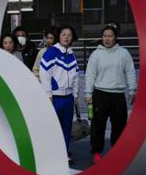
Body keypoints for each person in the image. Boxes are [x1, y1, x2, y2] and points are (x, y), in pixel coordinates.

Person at [85, 25, 137, 164]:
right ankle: (96, 152)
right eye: (105, 36)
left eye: (110, 36)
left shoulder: (123, 53)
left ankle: (117, 152)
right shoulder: (96, 54)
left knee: (119, 126)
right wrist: (88, 93)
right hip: (100, 94)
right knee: (98, 126)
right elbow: (90, 75)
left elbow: (130, 72)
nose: (107, 39)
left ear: (115, 37)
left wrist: (132, 90)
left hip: (118, 95)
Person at [39, 26, 79, 165]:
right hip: (55, 98)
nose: (67, 37)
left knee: (66, 128)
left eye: (69, 35)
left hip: (68, 98)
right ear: (59, 36)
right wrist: (48, 93)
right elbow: (44, 74)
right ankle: (48, 155)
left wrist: (75, 94)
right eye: (63, 34)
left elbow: (76, 76)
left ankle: (64, 154)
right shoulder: (51, 52)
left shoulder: (72, 54)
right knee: (51, 128)